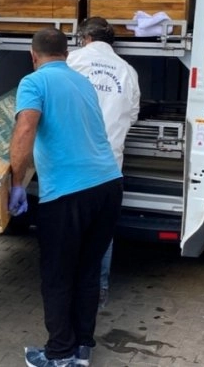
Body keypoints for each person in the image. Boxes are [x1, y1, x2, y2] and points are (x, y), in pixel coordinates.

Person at [9, 28, 123, 367]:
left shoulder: (33, 82)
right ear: (67, 54)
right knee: (87, 270)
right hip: (108, 185)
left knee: (58, 275)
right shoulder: (83, 82)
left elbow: (25, 129)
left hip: (68, 193)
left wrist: (17, 182)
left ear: (33, 55)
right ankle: (81, 347)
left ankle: (59, 354)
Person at [67, 17, 140, 309]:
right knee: (101, 232)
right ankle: (98, 291)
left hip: (73, 162)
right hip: (109, 165)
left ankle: (71, 290)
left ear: (85, 38)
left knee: (71, 229)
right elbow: (132, 116)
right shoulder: (128, 71)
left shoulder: (72, 61)